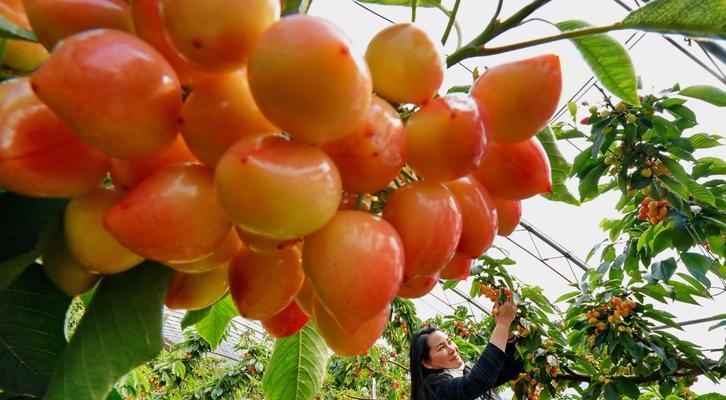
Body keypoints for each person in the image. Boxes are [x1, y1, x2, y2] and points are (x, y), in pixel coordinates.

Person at [409, 298, 523, 400]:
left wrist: (507, 332)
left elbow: (510, 367)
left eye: (449, 342)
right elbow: (476, 382)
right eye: (441, 348)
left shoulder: (464, 372)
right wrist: (502, 324)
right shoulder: (435, 393)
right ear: (427, 362)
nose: (452, 349)